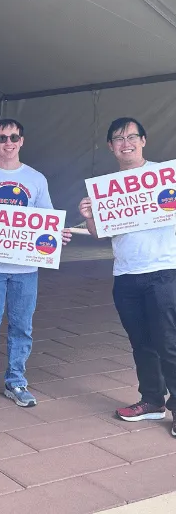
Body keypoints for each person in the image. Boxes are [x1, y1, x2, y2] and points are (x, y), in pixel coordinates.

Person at [0, 118, 71, 408]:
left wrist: (57, 234)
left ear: (22, 141)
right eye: (2, 138)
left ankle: (16, 381)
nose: (8, 142)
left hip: (26, 267)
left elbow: (47, 218)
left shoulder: (36, 179)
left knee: (22, 326)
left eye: (14, 137)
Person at [79, 117, 176, 438]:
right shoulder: (105, 189)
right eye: (118, 138)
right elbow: (98, 234)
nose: (126, 142)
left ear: (144, 141)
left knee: (168, 343)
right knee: (142, 343)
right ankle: (151, 400)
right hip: (126, 275)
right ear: (110, 146)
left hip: (165, 272)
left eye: (132, 136)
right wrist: (90, 216)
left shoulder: (166, 176)